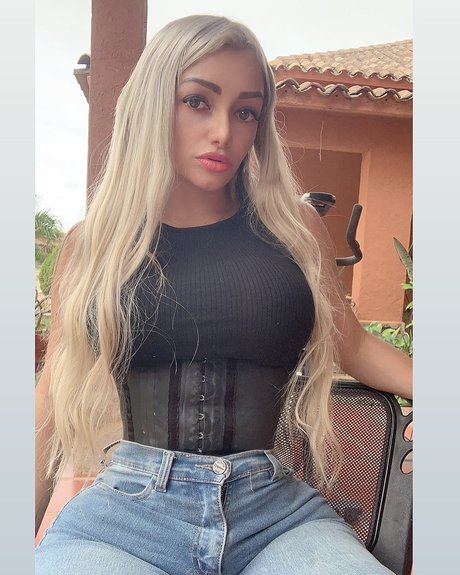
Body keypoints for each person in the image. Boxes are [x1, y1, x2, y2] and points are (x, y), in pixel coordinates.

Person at [35, 14, 412, 575]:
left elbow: (351, 345)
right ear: (153, 103)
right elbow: (49, 397)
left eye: (245, 112)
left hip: (274, 517)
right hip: (124, 519)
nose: (223, 133)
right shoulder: (95, 245)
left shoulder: (294, 230)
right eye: (197, 102)